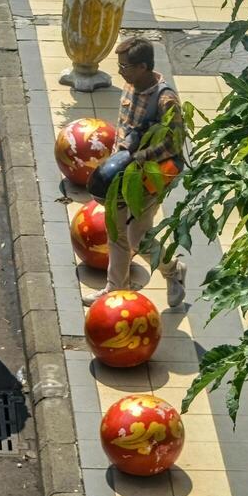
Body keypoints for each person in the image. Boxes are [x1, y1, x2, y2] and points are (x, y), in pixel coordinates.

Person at [83, 36, 188, 308]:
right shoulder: (130, 85)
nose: (120, 71)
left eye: (125, 66)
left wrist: (139, 156)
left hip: (149, 176)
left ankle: (173, 270)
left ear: (143, 66)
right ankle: (115, 289)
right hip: (123, 172)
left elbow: (174, 143)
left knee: (138, 238)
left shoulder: (166, 100)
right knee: (116, 232)